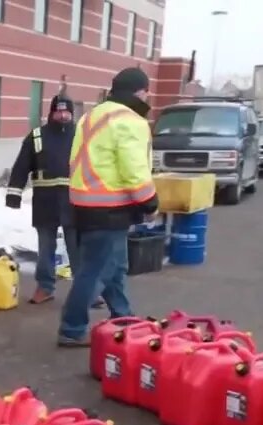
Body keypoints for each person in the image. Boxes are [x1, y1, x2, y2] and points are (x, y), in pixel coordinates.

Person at [58, 68, 158, 347]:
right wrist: (150, 201)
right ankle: (72, 327)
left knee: (115, 267)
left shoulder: (94, 114)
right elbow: (133, 167)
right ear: (140, 91)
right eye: (146, 91)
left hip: (85, 202)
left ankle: (123, 317)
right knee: (95, 271)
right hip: (110, 205)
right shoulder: (130, 119)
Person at [5, 93, 79, 304]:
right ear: (51, 112)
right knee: (46, 247)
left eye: (67, 111)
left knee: (77, 247)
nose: (63, 115)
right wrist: (14, 195)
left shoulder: (81, 135)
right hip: (45, 202)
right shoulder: (37, 136)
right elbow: (21, 166)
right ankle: (45, 287)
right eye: (59, 111)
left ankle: (85, 291)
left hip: (74, 202)